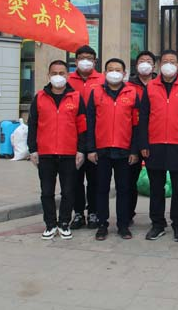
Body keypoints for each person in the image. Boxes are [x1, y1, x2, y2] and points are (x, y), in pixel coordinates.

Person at [139, 50, 178, 242]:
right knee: (156, 188)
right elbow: (143, 118)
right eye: (165, 61)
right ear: (159, 65)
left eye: (172, 61)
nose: (169, 64)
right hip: (155, 145)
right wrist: (143, 143)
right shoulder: (150, 87)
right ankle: (157, 224)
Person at [27, 60, 87, 240]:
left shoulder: (76, 97)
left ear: (67, 75)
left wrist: (81, 150)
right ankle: (50, 224)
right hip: (45, 153)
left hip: (69, 153)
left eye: (61, 73)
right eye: (54, 73)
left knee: (68, 191)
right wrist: (33, 149)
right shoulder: (39, 97)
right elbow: (32, 125)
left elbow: (82, 126)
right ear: (48, 75)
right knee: (47, 192)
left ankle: (64, 223)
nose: (58, 76)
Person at [86, 58, 141, 241]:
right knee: (101, 188)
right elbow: (90, 122)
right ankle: (102, 224)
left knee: (124, 189)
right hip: (101, 150)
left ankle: (123, 225)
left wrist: (134, 150)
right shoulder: (96, 92)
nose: (114, 73)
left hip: (124, 150)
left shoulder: (132, 93)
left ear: (124, 74)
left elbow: (137, 124)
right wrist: (91, 148)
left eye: (118, 70)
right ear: (104, 73)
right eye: (110, 69)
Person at [68, 45, 104, 230]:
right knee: (75, 179)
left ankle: (94, 212)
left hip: (96, 137)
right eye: (82, 58)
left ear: (95, 61)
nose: (86, 61)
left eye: (89, 58)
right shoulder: (67, 80)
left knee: (95, 179)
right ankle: (78, 213)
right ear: (76, 61)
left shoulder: (102, 80)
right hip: (73, 139)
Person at [127, 50, 157, 224]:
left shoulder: (160, 84)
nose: (145, 64)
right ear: (136, 65)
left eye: (148, 61)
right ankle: (128, 214)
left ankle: (156, 218)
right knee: (130, 180)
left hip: (154, 138)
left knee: (156, 181)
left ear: (154, 66)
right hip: (132, 139)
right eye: (141, 61)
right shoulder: (128, 86)